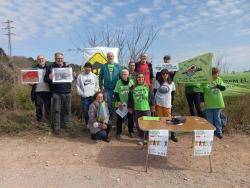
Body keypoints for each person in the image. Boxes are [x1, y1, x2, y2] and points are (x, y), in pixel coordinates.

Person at [44, 52, 73, 135]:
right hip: (56, 93)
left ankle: (67, 125)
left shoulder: (68, 67)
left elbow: (71, 79)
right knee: (56, 110)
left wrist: (73, 76)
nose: (60, 60)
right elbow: (45, 79)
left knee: (67, 110)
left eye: (61, 58)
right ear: (55, 59)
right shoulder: (51, 67)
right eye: (58, 58)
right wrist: (49, 78)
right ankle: (57, 127)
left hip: (67, 92)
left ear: (63, 59)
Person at [128, 73, 155, 145]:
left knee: (147, 124)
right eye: (139, 77)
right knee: (138, 124)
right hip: (137, 109)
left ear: (144, 78)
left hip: (146, 108)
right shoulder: (133, 87)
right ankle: (141, 138)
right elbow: (130, 98)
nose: (140, 79)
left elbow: (152, 97)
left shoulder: (148, 86)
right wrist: (129, 107)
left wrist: (153, 106)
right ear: (136, 79)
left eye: (142, 77)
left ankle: (146, 138)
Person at [201, 67, 226, 139]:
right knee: (209, 119)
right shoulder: (206, 81)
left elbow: (223, 88)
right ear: (211, 74)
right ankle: (210, 132)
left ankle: (219, 132)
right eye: (215, 73)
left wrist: (217, 85)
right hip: (209, 103)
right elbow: (202, 92)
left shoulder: (219, 79)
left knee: (217, 118)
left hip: (218, 103)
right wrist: (202, 101)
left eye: (217, 73)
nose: (216, 75)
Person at [154, 69, 178, 142]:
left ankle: (172, 135)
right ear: (161, 75)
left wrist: (171, 103)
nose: (165, 75)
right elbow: (154, 92)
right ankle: (161, 135)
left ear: (168, 75)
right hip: (159, 104)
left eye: (166, 74)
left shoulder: (172, 83)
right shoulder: (157, 82)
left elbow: (173, 94)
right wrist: (154, 103)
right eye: (163, 74)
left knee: (169, 120)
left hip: (167, 104)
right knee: (160, 119)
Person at [31, 55, 51, 126]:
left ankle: (48, 121)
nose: (41, 60)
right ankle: (39, 121)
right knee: (38, 107)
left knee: (48, 107)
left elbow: (53, 78)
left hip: (47, 91)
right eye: (39, 59)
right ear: (37, 60)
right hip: (37, 91)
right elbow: (30, 81)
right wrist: (30, 83)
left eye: (42, 59)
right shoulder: (33, 69)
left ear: (45, 60)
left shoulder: (49, 68)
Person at [114, 69, 134, 139]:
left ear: (128, 75)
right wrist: (119, 101)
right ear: (121, 75)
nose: (124, 75)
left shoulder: (131, 82)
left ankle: (131, 131)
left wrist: (131, 103)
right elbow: (116, 92)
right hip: (121, 104)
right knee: (119, 119)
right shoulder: (118, 82)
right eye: (122, 74)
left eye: (125, 74)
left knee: (130, 118)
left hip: (129, 104)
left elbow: (132, 92)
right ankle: (118, 132)